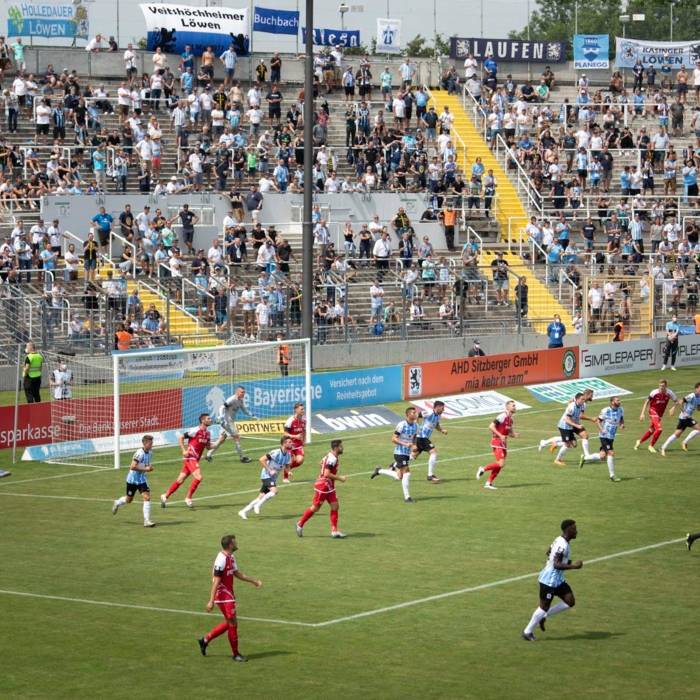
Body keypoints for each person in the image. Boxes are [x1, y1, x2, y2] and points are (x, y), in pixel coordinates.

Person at [198, 534, 262, 663]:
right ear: (230, 545)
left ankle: (205, 640)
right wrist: (211, 600)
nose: (237, 543)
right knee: (233, 623)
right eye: (235, 542)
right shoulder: (221, 559)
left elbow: (237, 573)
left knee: (229, 623)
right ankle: (236, 654)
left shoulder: (231, 557)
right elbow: (216, 581)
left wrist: (253, 581)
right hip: (223, 596)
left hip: (228, 594)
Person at [521, 519, 582, 641]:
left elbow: (548, 551)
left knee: (570, 601)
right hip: (549, 581)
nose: (576, 531)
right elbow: (556, 564)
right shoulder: (563, 545)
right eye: (574, 529)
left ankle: (544, 616)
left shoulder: (559, 540)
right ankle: (527, 632)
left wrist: (562, 561)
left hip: (558, 580)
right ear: (567, 529)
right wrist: (573, 566)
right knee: (543, 606)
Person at [296, 439, 347, 539]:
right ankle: (300, 524)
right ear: (336, 448)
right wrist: (340, 478)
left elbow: (321, 463)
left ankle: (334, 531)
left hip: (329, 485)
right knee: (315, 508)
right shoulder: (332, 458)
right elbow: (326, 473)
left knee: (335, 506)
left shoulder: (330, 456)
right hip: (323, 486)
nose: (342, 448)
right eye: (341, 446)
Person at [160, 413, 213, 508]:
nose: (210, 420)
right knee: (198, 477)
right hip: (190, 457)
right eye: (208, 418)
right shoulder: (195, 430)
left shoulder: (207, 433)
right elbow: (181, 438)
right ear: (203, 421)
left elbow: (209, 447)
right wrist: (184, 450)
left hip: (194, 459)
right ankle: (188, 498)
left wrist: (220, 441)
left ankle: (165, 496)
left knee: (180, 479)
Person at [370, 406, 419, 503]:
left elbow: (414, 438)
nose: (415, 414)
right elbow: (393, 439)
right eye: (413, 412)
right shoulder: (402, 425)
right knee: (407, 472)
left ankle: (379, 471)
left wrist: (414, 445)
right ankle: (407, 497)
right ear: (408, 414)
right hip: (399, 452)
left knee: (399, 476)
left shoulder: (416, 426)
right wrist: (406, 444)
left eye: (415, 412)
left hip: (406, 453)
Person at [238, 436, 293, 519]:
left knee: (260, 496)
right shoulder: (276, 452)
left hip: (273, 478)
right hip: (266, 475)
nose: (291, 443)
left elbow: (287, 466)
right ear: (284, 443)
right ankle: (258, 505)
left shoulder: (288, 455)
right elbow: (262, 459)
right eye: (289, 442)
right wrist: (269, 470)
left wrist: (288, 471)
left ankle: (243, 511)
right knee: (275, 491)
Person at [111, 435, 156, 527]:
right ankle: (117, 502)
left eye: (152, 443)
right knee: (129, 500)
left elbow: (145, 466)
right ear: (145, 443)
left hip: (142, 480)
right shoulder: (139, 453)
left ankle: (146, 521)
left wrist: (147, 468)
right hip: (132, 480)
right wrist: (147, 469)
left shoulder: (150, 453)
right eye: (151, 443)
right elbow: (132, 466)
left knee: (147, 497)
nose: (152, 445)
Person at [578, 396, 623, 481]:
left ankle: (585, 458)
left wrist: (621, 424)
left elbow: (621, 418)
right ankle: (612, 476)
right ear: (612, 402)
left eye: (619, 400)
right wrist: (601, 430)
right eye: (617, 400)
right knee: (611, 453)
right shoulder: (606, 410)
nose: (619, 401)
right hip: (604, 436)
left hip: (611, 436)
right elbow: (598, 421)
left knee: (602, 456)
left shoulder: (620, 409)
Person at [476, 400, 518, 490]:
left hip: (503, 443)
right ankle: (483, 468)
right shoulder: (502, 416)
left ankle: (488, 483)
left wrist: (514, 435)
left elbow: (509, 433)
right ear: (507, 407)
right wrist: (500, 435)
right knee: (501, 463)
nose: (515, 407)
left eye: (515, 405)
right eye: (513, 406)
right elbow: (491, 426)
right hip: (497, 441)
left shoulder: (511, 420)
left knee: (499, 464)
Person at [206, 386, 254, 463]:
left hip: (228, 422)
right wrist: (220, 417)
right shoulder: (232, 399)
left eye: (244, 392)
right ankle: (242, 457)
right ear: (237, 392)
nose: (243, 394)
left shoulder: (240, 401)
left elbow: (244, 410)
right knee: (237, 437)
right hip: (227, 422)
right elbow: (222, 407)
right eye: (242, 392)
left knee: (222, 439)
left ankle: (209, 454)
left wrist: (252, 415)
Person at [635, 379, 680, 453]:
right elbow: (646, 402)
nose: (661, 387)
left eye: (663, 386)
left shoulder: (669, 393)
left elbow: (677, 401)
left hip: (660, 414)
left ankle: (639, 441)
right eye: (660, 386)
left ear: (666, 386)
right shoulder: (654, 392)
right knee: (659, 429)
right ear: (658, 385)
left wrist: (673, 408)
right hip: (652, 411)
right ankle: (651, 446)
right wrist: (642, 413)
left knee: (652, 430)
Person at [660, 383, 700, 456]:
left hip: (687, 418)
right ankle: (684, 442)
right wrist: (674, 409)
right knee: (698, 429)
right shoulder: (691, 396)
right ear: (696, 388)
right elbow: (680, 402)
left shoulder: (699, 397)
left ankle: (663, 447)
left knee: (676, 435)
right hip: (684, 418)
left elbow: (698, 408)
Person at [414, 401, 447, 483]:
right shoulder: (428, 412)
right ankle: (430, 475)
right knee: (433, 452)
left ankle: (394, 465)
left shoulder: (438, 416)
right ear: (437, 407)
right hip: (422, 436)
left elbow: (436, 425)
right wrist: (417, 426)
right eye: (442, 408)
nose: (443, 410)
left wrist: (442, 430)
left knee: (412, 457)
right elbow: (417, 415)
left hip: (422, 438)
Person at [282, 402, 306, 482]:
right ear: (296, 410)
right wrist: (294, 436)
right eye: (301, 409)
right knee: (290, 461)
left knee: (300, 460)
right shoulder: (290, 420)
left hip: (299, 445)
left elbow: (304, 430)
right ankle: (285, 477)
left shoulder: (303, 420)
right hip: (290, 445)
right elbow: (285, 433)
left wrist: (304, 440)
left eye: (303, 409)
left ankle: (287, 468)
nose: (303, 410)